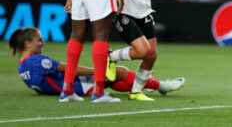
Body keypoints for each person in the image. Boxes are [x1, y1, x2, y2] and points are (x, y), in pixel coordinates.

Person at [9, 28, 184, 98]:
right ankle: (160, 85)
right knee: (119, 72)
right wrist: (96, 71)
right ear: (27, 44)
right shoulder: (38, 61)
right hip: (76, 87)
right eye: (39, 40)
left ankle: (147, 88)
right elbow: (72, 69)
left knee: (114, 79)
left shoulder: (22, 67)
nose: (43, 42)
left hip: (63, 88)